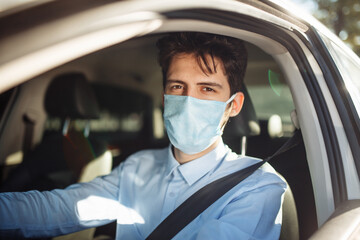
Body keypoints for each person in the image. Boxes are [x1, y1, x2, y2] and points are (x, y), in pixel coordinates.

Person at [0, 32, 286, 240]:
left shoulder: (257, 185)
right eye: (177, 87)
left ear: (233, 105)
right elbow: (61, 208)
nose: (188, 100)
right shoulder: (138, 166)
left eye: (207, 89)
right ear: (164, 98)